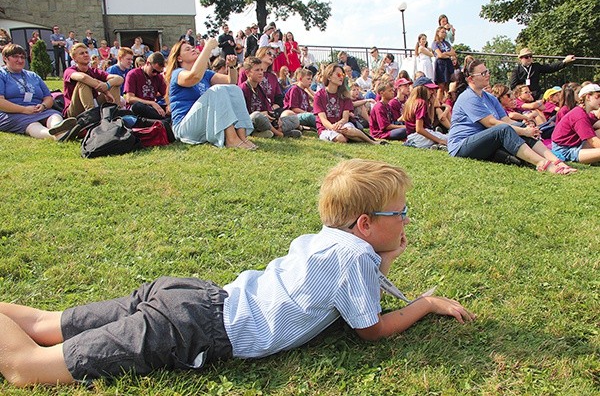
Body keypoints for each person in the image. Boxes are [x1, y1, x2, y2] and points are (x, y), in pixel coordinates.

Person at [0, 158, 475, 387]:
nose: (408, 218)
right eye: (402, 211)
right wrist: (426, 303)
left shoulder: (336, 243)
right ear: (366, 225)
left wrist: (383, 256)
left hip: (191, 300)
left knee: (45, 323)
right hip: (192, 329)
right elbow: (372, 329)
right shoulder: (354, 258)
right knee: (27, 368)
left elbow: (361, 276)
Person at [447, 59, 575, 174]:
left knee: (518, 126)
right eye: (483, 73)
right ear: (470, 79)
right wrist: (524, 131)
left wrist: (525, 127)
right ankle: (543, 164)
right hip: (462, 145)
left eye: (487, 71)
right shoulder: (468, 97)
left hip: (483, 141)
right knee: (505, 129)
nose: (487, 75)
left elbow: (506, 120)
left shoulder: (490, 97)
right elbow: (491, 123)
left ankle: (557, 161)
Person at [165, 40, 256, 149]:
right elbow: (194, 77)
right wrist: (207, 48)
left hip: (204, 124)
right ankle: (231, 139)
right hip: (184, 128)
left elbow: (231, 81)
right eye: (187, 49)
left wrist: (231, 67)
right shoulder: (178, 73)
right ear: (179, 58)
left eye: (192, 47)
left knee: (234, 89)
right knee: (217, 90)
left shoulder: (205, 74)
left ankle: (242, 137)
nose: (193, 49)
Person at [0, 44, 78, 141]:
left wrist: (43, 106)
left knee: (54, 115)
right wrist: (24, 110)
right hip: (12, 113)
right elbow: (1, 103)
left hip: (38, 110)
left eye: (22, 57)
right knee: (31, 124)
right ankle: (57, 136)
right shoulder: (2, 75)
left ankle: (58, 127)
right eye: (15, 57)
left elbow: (48, 97)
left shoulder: (32, 75)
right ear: (5, 58)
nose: (20, 60)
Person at [313, 63, 381, 144]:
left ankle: (371, 141)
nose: (341, 77)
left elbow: (345, 118)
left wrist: (340, 124)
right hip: (325, 128)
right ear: (329, 77)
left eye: (342, 74)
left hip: (342, 124)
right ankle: (357, 139)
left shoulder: (344, 95)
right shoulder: (319, 95)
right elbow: (323, 120)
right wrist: (333, 127)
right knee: (341, 139)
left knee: (349, 131)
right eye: (338, 74)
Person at [62, 42, 123, 118]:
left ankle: (114, 115)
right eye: (81, 53)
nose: (85, 55)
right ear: (74, 58)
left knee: (114, 85)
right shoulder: (69, 71)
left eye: (86, 52)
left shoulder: (93, 71)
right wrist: (104, 90)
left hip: (94, 102)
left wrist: (107, 85)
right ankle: (92, 117)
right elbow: (83, 77)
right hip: (74, 110)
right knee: (83, 83)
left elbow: (119, 79)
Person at [551, 83, 600, 164]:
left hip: (574, 144)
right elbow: (593, 141)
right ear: (588, 97)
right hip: (564, 150)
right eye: (598, 96)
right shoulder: (580, 115)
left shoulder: (583, 112)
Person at [509, 48, 575, 99]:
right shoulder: (516, 70)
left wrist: (564, 61)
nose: (529, 58)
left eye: (530, 56)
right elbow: (513, 86)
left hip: (536, 94)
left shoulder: (536, 66)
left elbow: (550, 68)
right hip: (523, 96)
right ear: (521, 58)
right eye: (526, 57)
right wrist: (522, 93)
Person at [401, 77, 447, 149]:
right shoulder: (421, 103)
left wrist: (431, 105)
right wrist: (439, 140)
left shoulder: (411, 101)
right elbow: (419, 129)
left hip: (412, 138)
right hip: (420, 138)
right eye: (429, 89)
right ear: (421, 89)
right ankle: (438, 144)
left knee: (442, 136)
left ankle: (435, 146)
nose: (432, 92)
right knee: (449, 139)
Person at [124, 52, 168, 120]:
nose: (155, 74)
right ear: (148, 63)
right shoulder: (133, 74)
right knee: (137, 106)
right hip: (139, 109)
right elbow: (129, 98)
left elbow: (166, 95)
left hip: (152, 108)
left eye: (158, 72)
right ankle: (163, 119)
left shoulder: (158, 77)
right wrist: (151, 103)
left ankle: (163, 118)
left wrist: (170, 105)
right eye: (154, 71)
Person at [431, 26, 456, 103]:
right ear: (437, 33)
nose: (444, 33)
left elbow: (453, 53)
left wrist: (446, 53)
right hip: (441, 64)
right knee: (441, 85)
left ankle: (448, 101)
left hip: (448, 63)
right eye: (442, 32)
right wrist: (447, 55)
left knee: (448, 84)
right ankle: (439, 102)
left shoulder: (447, 43)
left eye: (445, 32)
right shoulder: (435, 43)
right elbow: (439, 55)